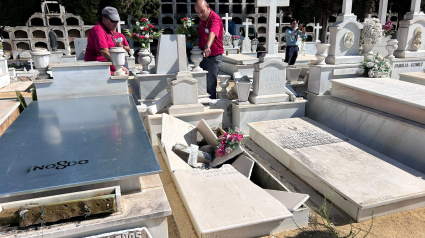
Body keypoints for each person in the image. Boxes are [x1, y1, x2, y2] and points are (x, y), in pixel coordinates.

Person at [85, 6, 130, 75]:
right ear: (104, 18)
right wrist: (119, 66)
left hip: (108, 65)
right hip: (99, 67)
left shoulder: (109, 30)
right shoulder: (98, 30)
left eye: (117, 21)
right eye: (113, 21)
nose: (115, 24)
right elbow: (104, 51)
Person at [195, 0, 224, 99]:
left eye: (202, 11)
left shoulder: (215, 18)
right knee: (201, 84)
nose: (200, 15)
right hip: (202, 56)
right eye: (197, 13)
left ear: (208, 7)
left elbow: (212, 33)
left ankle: (211, 108)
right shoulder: (202, 20)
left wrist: (207, 47)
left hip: (213, 57)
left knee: (210, 87)